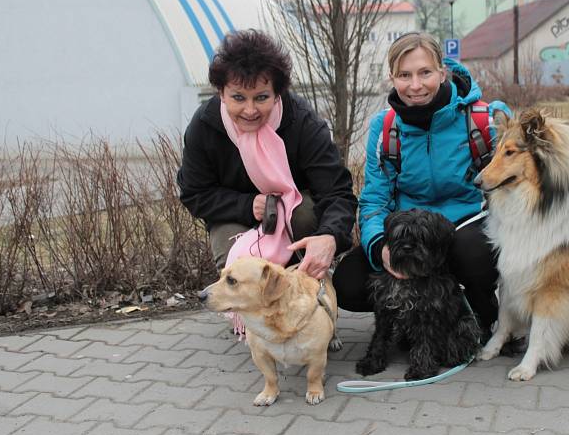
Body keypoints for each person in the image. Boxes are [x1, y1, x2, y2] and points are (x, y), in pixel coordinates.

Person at [333, 32, 511, 336]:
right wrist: (380, 248)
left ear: (442, 73)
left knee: (474, 255)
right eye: (405, 75)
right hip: (412, 231)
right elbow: (374, 200)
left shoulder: (483, 120)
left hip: (467, 227)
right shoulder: (385, 127)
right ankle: (413, 318)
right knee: (348, 282)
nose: (415, 86)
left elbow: (526, 182)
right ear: (392, 78)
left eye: (425, 73)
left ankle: (480, 311)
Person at [177, 30, 357, 279]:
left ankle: (307, 284)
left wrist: (330, 235)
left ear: (277, 94)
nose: (249, 110)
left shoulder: (303, 122)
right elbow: (195, 193)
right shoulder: (204, 126)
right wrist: (248, 205)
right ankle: (250, 312)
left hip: (296, 214)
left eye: (261, 97)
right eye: (238, 98)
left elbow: (337, 192)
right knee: (235, 261)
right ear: (221, 93)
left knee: (304, 213)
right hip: (234, 215)